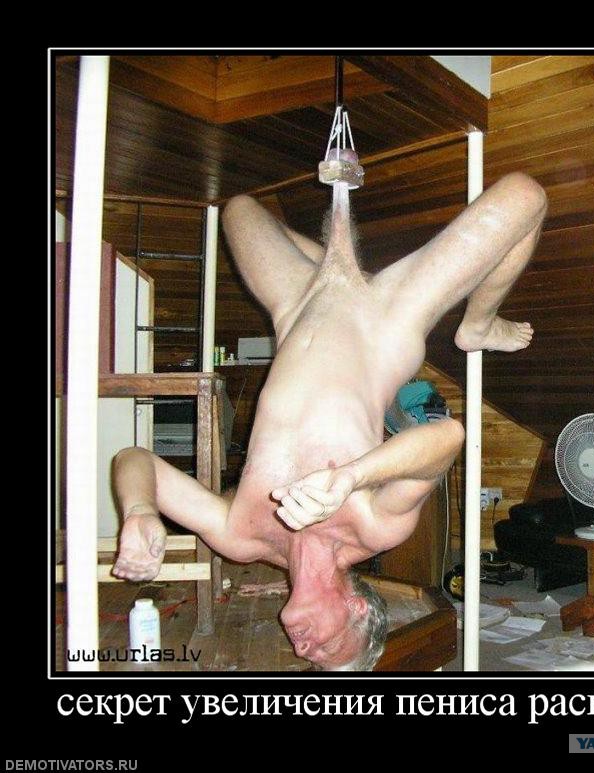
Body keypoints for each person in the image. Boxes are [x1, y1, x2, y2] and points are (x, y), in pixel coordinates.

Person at [111, 171, 547, 670]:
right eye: (326, 649)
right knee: (526, 197)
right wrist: (350, 478)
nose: (303, 648)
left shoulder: (240, 537)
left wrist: (140, 509)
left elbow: (134, 459)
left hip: (299, 306)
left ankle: (336, 271)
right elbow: (447, 437)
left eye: (307, 658)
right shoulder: (373, 528)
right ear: (357, 610)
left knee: (238, 210)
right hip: (387, 318)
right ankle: (478, 324)